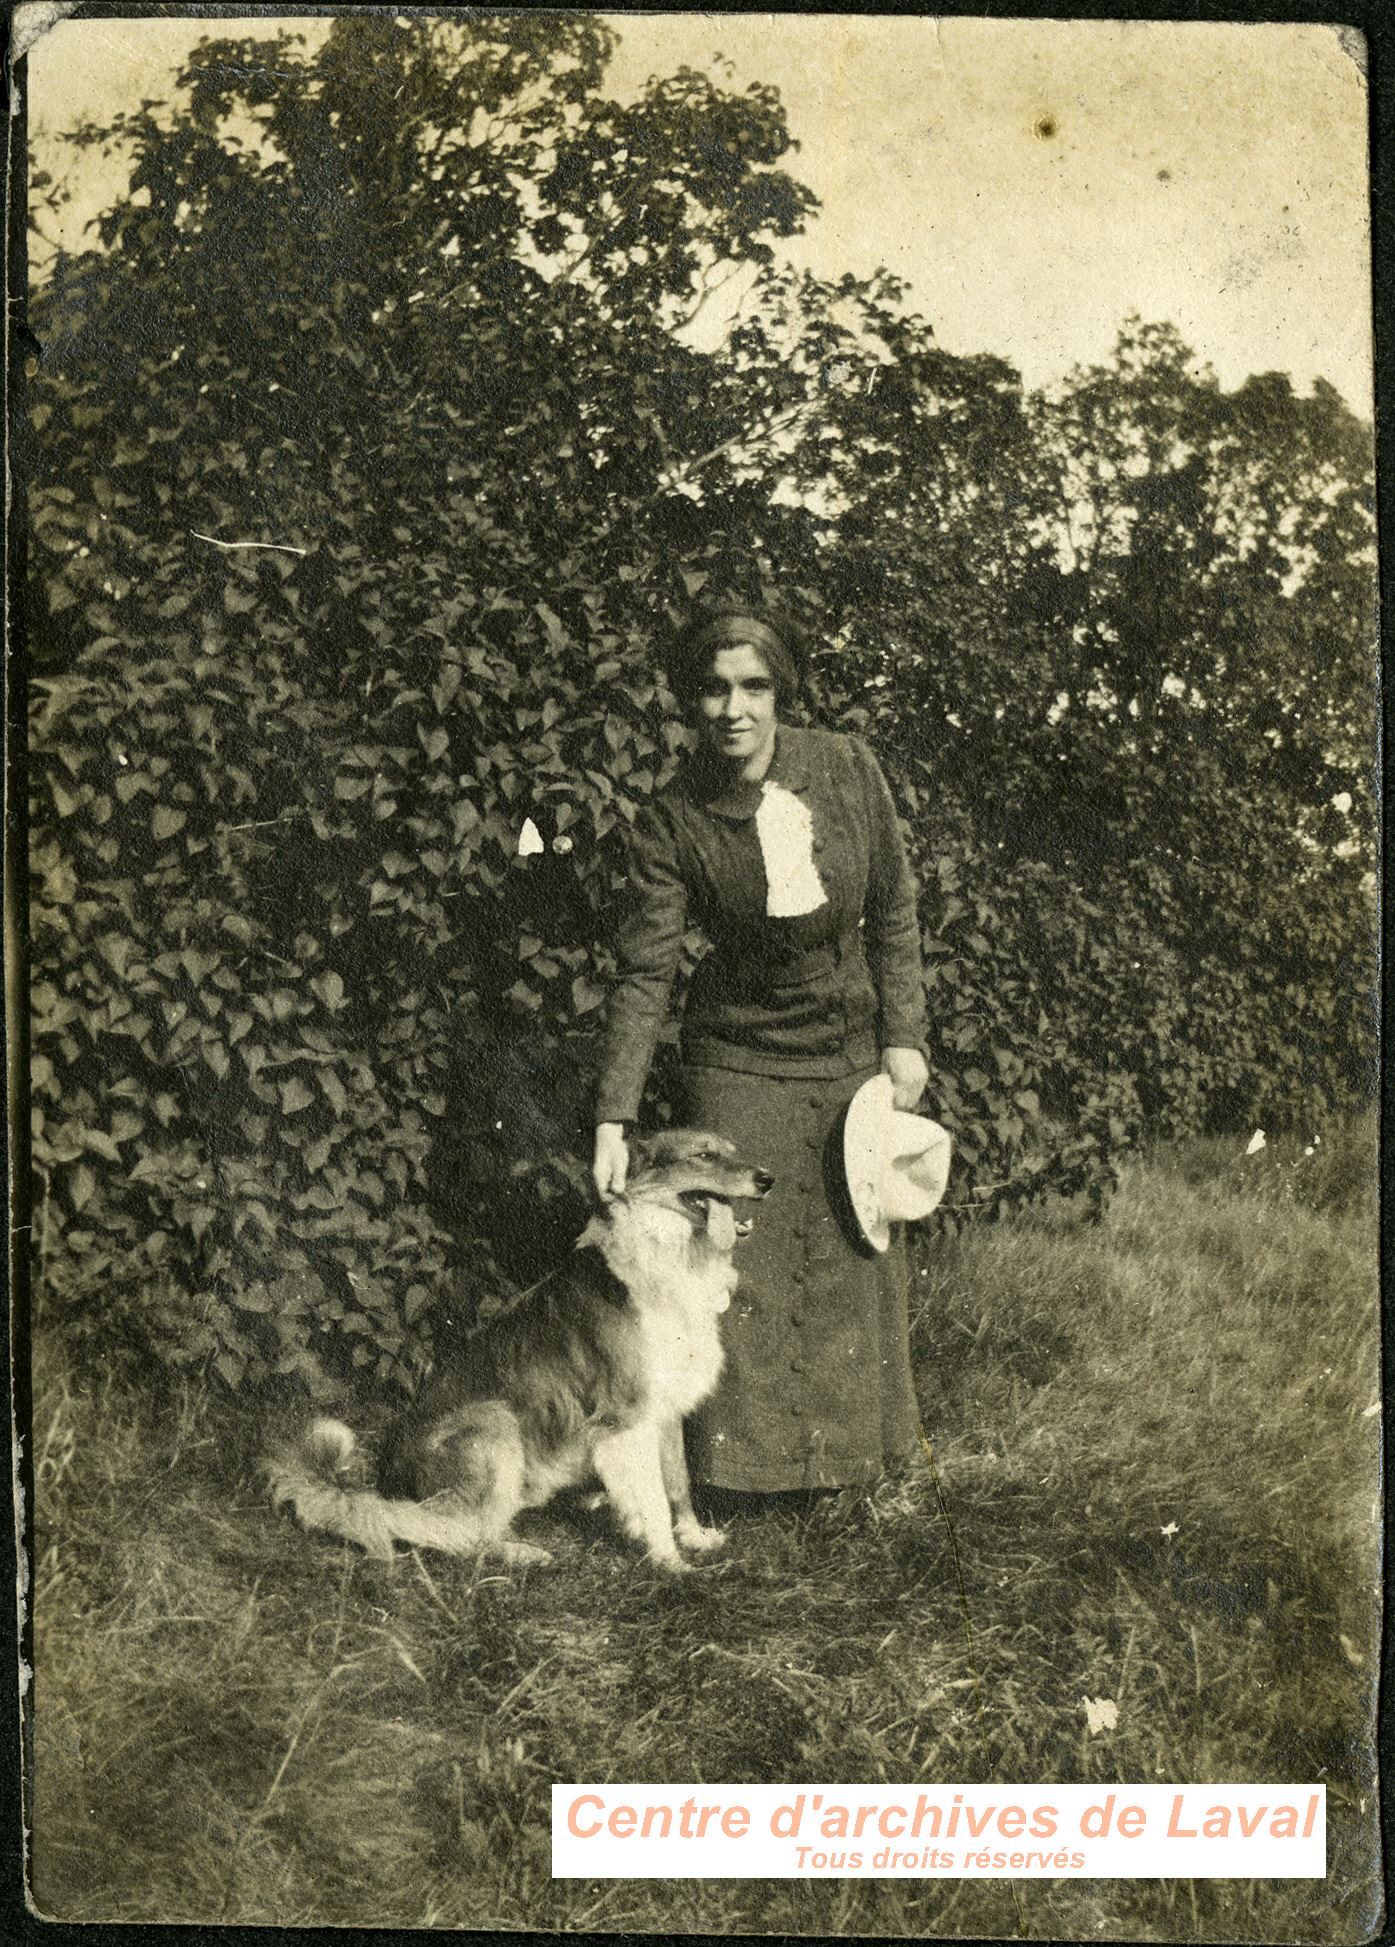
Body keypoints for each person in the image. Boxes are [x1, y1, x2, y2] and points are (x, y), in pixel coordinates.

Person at [592, 601, 930, 1496]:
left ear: (781, 691)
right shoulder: (672, 820)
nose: (732, 709)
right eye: (711, 689)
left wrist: (902, 1037)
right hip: (736, 1053)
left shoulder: (849, 769)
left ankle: (856, 1466)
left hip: (849, 1049)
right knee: (740, 1261)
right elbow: (644, 976)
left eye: (753, 686)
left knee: (858, 1257)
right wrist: (613, 1114)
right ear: (688, 701)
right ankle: (744, 1477)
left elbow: (893, 909)